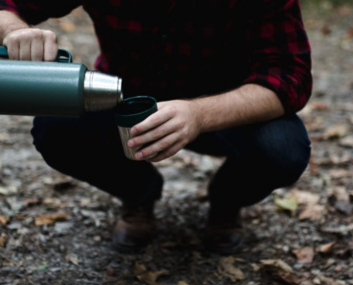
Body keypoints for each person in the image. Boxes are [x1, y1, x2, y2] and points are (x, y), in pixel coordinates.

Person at [0, 0, 312, 254]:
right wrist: (13, 29)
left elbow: (290, 75)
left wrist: (199, 114)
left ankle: (226, 202)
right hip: (124, 99)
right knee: (55, 128)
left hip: (224, 109)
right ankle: (139, 194)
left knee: (282, 149)